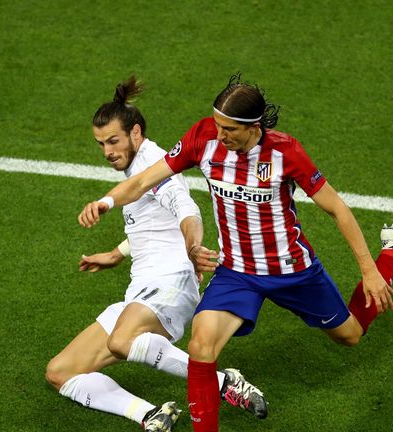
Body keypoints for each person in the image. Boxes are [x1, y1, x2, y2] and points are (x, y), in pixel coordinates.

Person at [77, 73, 393, 432]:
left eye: (229, 129)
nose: (220, 135)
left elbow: (336, 208)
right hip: (237, 273)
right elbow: (140, 181)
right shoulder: (203, 139)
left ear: (253, 126)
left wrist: (370, 269)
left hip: (293, 271)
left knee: (351, 335)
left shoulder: (285, 152)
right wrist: (107, 202)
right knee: (202, 344)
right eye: (217, 125)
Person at [48, 76, 268, 432]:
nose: (107, 152)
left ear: (136, 133)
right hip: (143, 289)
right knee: (61, 371)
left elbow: (185, 209)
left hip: (170, 282)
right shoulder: (135, 167)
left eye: (114, 141)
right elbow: (151, 223)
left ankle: (223, 382)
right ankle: (151, 415)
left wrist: (194, 247)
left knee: (121, 341)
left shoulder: (153, 163)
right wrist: (118, 252)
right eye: (101, 143)